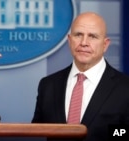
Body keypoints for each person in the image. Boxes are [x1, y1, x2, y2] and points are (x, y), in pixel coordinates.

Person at [32, 12, 129, 141]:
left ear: (105, 45)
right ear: (69, 40)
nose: (84, 42)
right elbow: (36, 134)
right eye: (78, 35)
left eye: (92, 36)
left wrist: (104, 133)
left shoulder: (125, 87)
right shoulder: (48, 85)